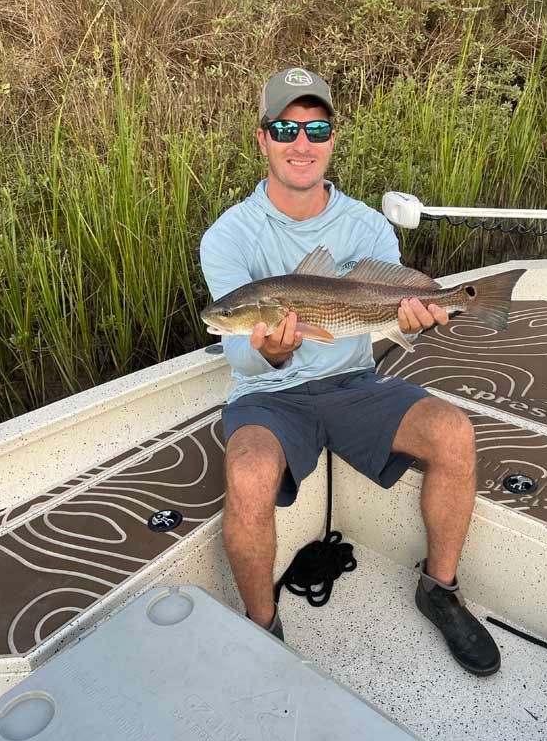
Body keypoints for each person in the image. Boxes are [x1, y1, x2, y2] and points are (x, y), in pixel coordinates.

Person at [200, 67, 500, 676]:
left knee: (454, 433)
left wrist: (409, 319)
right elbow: (238, 350)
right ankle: (264, 627)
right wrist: (277, 349)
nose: (301, 142)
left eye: (316, 127)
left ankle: (439, 589)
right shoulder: (228, 236)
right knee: (251, 469)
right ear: (262, 139)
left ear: (334, 137)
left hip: (356, 383)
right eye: (285, 128)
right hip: (269, 393)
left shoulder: (367, 225)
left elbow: (387, 304)